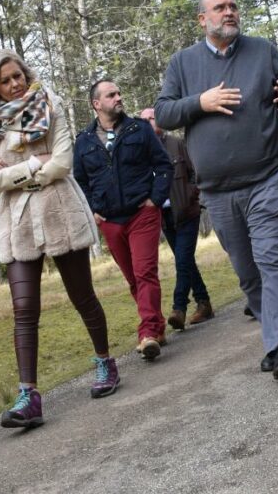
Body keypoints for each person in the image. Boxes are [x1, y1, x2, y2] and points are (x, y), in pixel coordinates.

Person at [155, 0, 278, 382]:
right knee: (247, 271)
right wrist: (200, 102)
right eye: (220, 7)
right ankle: (274, 332)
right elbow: (164, 112)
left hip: (267, 177)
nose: (230, 12)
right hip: (218, 190)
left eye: (234, 6)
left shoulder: (262, 51)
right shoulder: (183, 63)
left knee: (274, 259)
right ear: (202, 19)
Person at [0, 50, 118, 429]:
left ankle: (105, 362)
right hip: (18, 221)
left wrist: (16, 171)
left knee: (82, 295)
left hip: (59, 211)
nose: (15, 83)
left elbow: (62, 163)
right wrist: (34, 163)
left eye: (18, 75)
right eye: (5, 80)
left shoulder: (50, 105)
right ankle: (29, 397)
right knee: (24, 309)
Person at [74, 81, 172, 360]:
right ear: (96, 104)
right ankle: (157, 324)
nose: (119, 97)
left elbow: (163, 165)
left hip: (142, 213)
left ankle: (147, 332)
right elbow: (80, 181)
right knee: (132, 278)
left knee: (144, 272)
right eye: (111, 95)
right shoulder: (83, 141)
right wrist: (93, 209)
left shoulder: (139, 129)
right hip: (110, 220)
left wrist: (155, 199)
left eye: (118, 93)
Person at [138, 107, 214, 330]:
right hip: (163, 216)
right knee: (186, 260)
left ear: (160, 121)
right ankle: (204, 302)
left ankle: (178, 308)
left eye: (152, 118)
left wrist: (192, 195)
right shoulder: (141, 153)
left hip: (186, 212)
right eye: (144, 120)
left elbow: (195, 172)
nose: (149, 122)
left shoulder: (177, 143)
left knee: (182, 261)